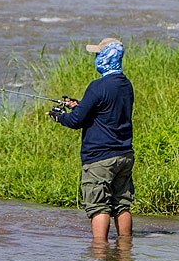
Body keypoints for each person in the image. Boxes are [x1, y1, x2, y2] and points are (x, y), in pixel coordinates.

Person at [48, 37, 134, 242]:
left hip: (99, 158)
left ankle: (99, 252)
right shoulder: (126, 85)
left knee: (99, 206)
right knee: (122, 204)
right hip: (124, 154)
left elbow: (76, 121)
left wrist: (59, 116)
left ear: (106, 57)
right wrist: (79, 105)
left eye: (98, 55)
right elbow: (104, 111)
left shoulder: (97, 86)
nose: (96, 58)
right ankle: (125, 249)